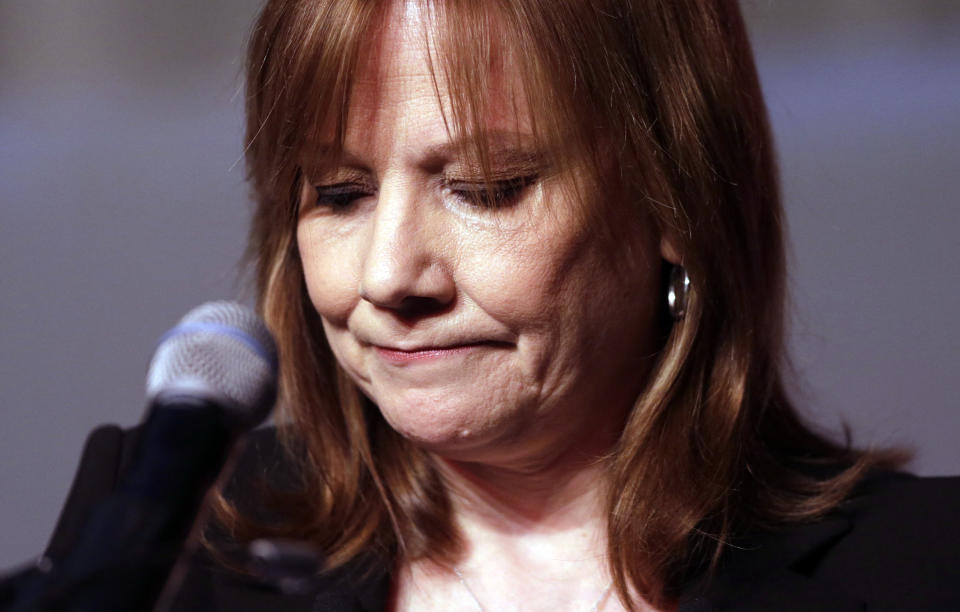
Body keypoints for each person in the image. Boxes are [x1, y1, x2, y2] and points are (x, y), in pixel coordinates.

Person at [37, 0, 960, 611]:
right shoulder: (176, 539)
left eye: (486, 186)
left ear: (673, 205)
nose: (390, 275)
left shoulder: (919, 571)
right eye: (338, 194)